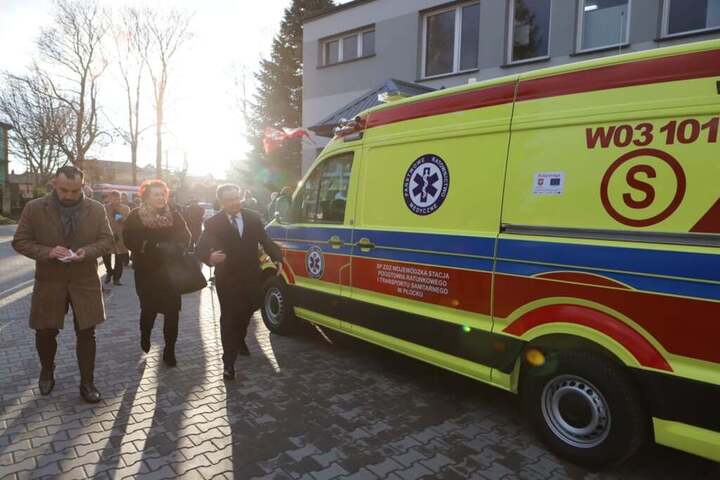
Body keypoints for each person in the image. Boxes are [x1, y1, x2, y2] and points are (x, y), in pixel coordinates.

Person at [12, 165, 113, 403]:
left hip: (84, 280)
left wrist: (86, 252)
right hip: (49, 281)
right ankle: (47, 370)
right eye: (64, 190)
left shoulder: (97, 209)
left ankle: (87, 383)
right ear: (54, 185)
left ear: (83, 186)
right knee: (45, 331)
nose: (69, 195)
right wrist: (48, 251)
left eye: (75, 191)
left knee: (87, 332)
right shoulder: (34, 208)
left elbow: (107, 239)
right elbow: (20, 241)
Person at [196, 184, 283, 380]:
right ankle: (228, 363)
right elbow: (199, 248)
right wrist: (210, 258)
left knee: (248, 310)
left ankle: (240, 338)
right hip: (227, 278)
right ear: (221, 202)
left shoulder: (252, 217)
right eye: (229, 200)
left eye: (236, 198)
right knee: (229, 318)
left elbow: (265, 240)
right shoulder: (213, 223)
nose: (234, 202)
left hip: (251, 276)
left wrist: (277, 257)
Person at [123, 179, 191, 367]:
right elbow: (129, 239)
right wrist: (151, 246)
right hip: (147, 272)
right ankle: (145, 335)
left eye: (163, 194)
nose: (161, 198)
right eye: (156, 194)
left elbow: (186, 236)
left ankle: (170, 349)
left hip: (171, 272)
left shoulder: (175, 215)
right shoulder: (135, 216)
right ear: (146, 196)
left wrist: (176, 246)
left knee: (172, 313)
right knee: (148, 309)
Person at [102, 190, 131, 286]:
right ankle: (109, 272)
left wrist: (118, 216)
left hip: (120, 237)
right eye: (114, 199)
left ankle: (116, 279)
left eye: (118, 199)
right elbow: (100, 222)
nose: (116, 201)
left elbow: (127, 223)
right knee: (106, 256)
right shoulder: (104, 208)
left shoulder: (126, 208)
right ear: (110, 199)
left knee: (119, 258)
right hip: (108, 236)